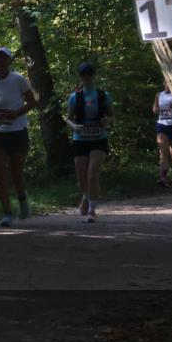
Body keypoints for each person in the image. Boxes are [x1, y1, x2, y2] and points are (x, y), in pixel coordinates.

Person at [0, 47, 35, 227]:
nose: (1, 61)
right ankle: (7, 213)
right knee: (0, 173)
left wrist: (16, 113)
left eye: (4, 58)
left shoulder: (18, 79)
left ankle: (22, 199)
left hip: (17, 131)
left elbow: (32, 102)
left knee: (16, 173)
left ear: (10, 61)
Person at [65, 62, 113, 223]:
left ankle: (92, 210)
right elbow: (68, 119)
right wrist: (75, 127)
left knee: (92, 176)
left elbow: (112, 115)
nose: (87, 77)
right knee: (82, 180)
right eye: (84, 75)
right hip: (80, 140)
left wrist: (107, 121)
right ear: (80, 77)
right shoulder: (74, 97)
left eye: (90, 74)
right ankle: (86, 195)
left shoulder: (103, 95)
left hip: (99, 138)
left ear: (94, 76)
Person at [153, 82, 172, 187]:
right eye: (166, 82)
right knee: (163, 152)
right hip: (162, 125)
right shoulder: (159, 95)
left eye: (169, 82)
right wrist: (157, 109)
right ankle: (163, 178)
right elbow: (154, 109)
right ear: (163, 83)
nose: (168, 85)